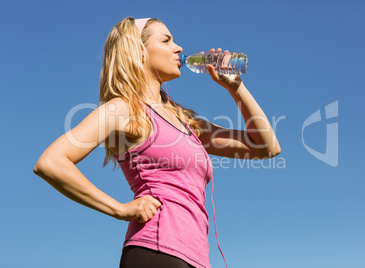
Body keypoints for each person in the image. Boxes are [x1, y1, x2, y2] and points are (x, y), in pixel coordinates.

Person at [33, 17, 281, 268]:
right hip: (156, 252)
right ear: (138, 51)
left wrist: (236, 87)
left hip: (196, 258)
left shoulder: (186, 121)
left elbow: (266, 147)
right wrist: (119, 209)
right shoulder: (124, 109)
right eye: (166, 40)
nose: (179, 48)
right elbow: (51, 162)